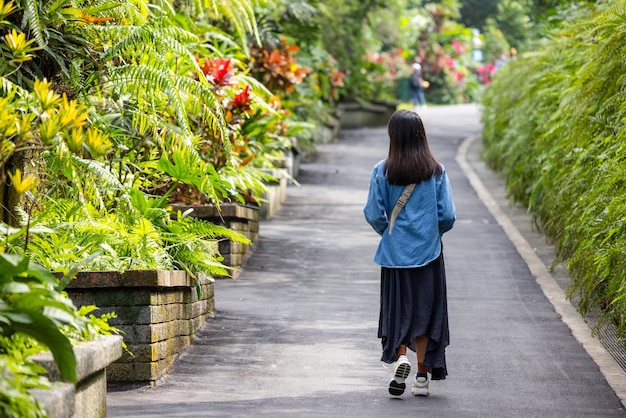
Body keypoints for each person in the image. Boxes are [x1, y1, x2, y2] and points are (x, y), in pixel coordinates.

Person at [363, 109, 455, 397]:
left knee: (398, 310)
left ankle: (400, 358)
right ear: (421, 135)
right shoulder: (436, 171)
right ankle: (421, 378)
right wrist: (430, 233)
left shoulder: (382, 170)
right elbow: (448, 215)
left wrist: (389, 234)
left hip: (394, 255)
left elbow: (373, 213)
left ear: (393, 137)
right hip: (428, 254)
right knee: (426, 314)